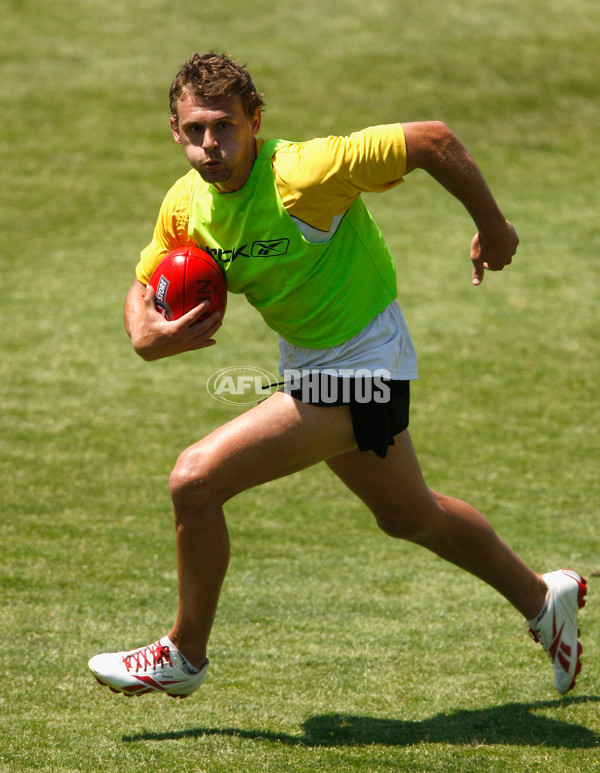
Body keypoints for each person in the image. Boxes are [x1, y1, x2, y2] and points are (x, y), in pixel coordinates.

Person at [88, 52, 587, 699]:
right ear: (176, 132)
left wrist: (493, 226)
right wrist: (143, 330)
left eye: (224, 126)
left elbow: (433, 139)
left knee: (195, 481)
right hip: (307, 361)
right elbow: (147, 278)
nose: (210, 145)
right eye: (194, 131)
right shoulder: (189, 203)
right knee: (412, 516)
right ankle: (546, 600)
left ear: (255, 121)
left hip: (367, 362)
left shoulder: (302, 174)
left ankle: (184, 651)